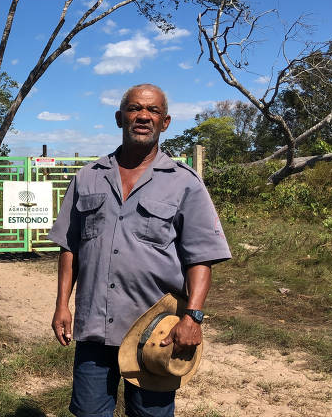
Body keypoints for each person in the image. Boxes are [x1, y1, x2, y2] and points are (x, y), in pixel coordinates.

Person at [47, 84, 232, 417]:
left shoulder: (185, 182)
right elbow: (69, 247)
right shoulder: (88, 177)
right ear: (120, 118)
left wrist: (193, 317)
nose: (143, 116)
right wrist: (62, 305)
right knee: (88, 412)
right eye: (134, 109)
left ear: (165, 122)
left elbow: (201, 257)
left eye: (153, 111)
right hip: (94, 327)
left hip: (156, 330)